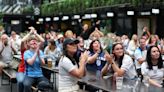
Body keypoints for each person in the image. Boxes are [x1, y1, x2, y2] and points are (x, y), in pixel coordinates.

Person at [16, 27, 45, 92]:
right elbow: (23, 41)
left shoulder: (36, 49)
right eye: (28, 41)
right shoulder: (24, 50)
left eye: (34, 41)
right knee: (20, 82)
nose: (33, 42)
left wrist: (35, 33)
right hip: (21, 70)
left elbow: (42, 41)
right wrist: (30, 33)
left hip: (33, 72)